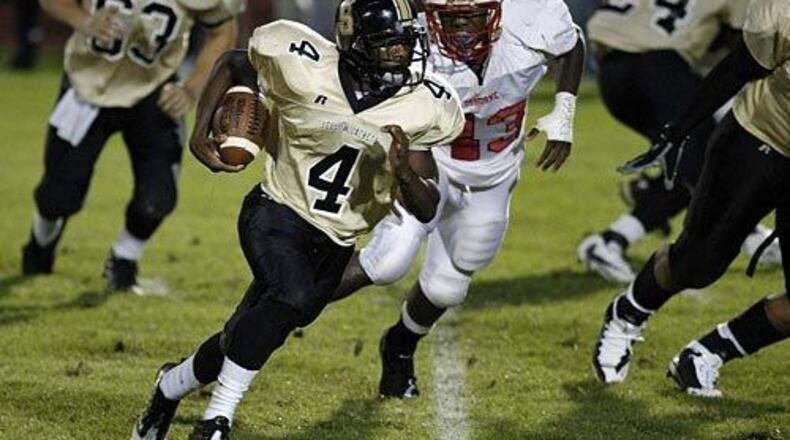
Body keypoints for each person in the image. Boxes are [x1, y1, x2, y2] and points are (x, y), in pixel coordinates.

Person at [130, 0, 465, 438]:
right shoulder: (301, 62)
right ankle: (216, 420)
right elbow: (233, 63)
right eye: (388, 47)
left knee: (251, 330)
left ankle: (170, 387)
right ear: (356, 44)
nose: (401, 58)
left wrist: (404, 173)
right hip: (277, 210)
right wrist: (200, 130)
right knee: (288, 296)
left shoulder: (420, 105)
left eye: (405, 46)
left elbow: (426, 207)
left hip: (336, 241)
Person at [331, 0, 586, 399]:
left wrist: (564, 111)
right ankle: (286, 302)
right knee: (386, 262)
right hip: (429, 161)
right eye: (450, 16)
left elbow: (571, 45)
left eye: (473, 13)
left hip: (493, 174)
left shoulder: (533, 13)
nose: (462, 26)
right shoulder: (410, 36)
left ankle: (399, 346)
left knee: (449, 287)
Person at [592, 0, 790, 397]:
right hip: (758, 138)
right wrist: (680, 128)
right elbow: (739, 65)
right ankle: (629, 311)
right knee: (698, 264)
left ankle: (705, 354)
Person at [21, 0, 241, 292]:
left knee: (156, 198)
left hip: (155, 89)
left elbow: (222, 30)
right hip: (87, 85)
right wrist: (83, 20)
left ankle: (124, 261)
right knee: (58, 197)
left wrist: (191, 88)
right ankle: (40, 245)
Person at [577, 0, 781, 284]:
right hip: (660, 69)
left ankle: (621, 232)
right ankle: (611, 240)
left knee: (690, 163)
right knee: (705, 160)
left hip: (611, 74)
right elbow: (747, 43)